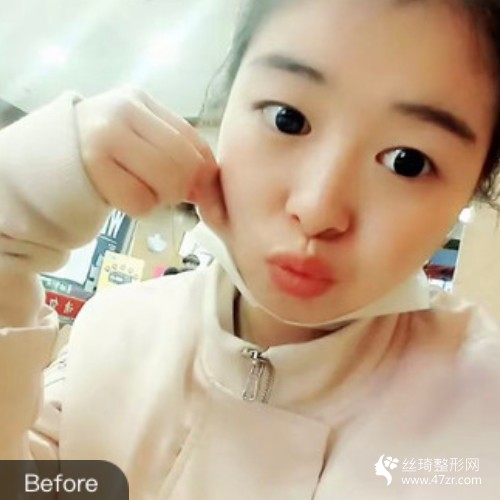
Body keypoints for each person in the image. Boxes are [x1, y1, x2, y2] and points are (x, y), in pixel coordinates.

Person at [1, 0, 500, 498]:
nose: (317, 209)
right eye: (288, 119)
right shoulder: (117, 329)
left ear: (472, 190)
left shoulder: (482, 415)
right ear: (227, 105)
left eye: (408, 162)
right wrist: (11, 220)